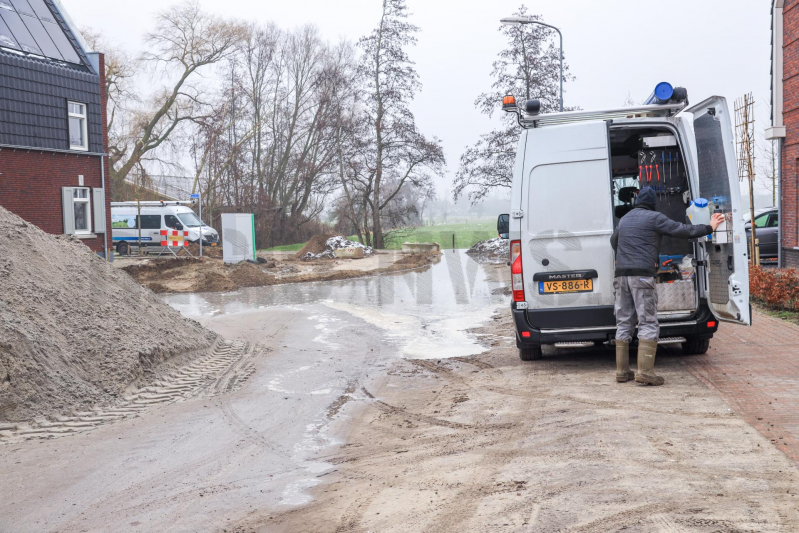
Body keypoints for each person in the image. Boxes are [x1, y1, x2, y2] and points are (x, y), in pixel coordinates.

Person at [610, 187, 724, 386]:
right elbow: (683, 230)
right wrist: (709, 227)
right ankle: (645, 372)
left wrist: (625, 255)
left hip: (621, 276)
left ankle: (622, 371)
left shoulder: (626, 218)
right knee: (647, 322)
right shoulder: (654, 217)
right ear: (653, 202)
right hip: (642, 276)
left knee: (624, 321)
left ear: (638, 202)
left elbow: (614, 241)